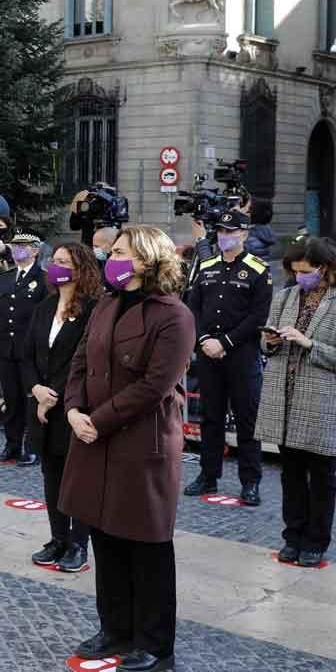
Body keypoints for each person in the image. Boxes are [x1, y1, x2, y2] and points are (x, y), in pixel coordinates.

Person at [60, 225, 194, 672]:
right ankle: (114, 629)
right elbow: (81, 360)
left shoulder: (172, 315)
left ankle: (155, 644)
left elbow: (156, 385)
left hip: (140, 442)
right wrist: (74, 410)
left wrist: (96, 420)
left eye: (119, 252)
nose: (110, 259)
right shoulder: (106, 302)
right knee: (105, 535)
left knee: (146, 544)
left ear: (146, 260)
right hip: (93, 435)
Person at [20, 242, 103, 574]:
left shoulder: (93, 309)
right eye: (53, 260)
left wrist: (53, 394)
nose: (56, 266)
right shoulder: (45, 306)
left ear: (80, 267)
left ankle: (78, 543)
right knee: (51, 475)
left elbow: (82, 361)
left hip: (73, 406)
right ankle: (57, 537)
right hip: (42, 405)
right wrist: (37, 390)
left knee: (77, 478)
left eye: (63, 261)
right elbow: (27, 355)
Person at [255, 238, 336, 568]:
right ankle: (293, 536)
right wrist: (270, 340)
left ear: (324, 268)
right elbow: (265, 346)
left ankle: (316, 540)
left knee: (321, 477)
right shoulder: (285, 296)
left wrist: (309, 343)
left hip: (321, 400)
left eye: (305, 271)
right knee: (290, 474)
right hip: (283, 398)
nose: (299, 277)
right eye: (294, 271)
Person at [184, 210, 272, 506]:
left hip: (241, 354)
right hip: (208, 352)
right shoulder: (207, 265)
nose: (224, 236)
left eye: (230, 231)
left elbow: (258, 315)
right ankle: (208, 475)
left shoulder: (258, 269)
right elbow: (193, 306)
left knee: (247, 419)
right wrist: (205, 339)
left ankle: (250, 482)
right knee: (210, 417)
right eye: (220, 231)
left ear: (244, 234)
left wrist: (226, 341)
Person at [0, 231, 47, 466]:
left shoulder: (43, 279)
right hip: (6, 349)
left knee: (30, 401)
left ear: (35, 250)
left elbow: (44, 317)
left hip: (30, 351)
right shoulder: (5, 278)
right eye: (15, 246)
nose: (18, 250)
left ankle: (32, 448)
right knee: (11, 401)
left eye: (24, 246)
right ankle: (11, 445)